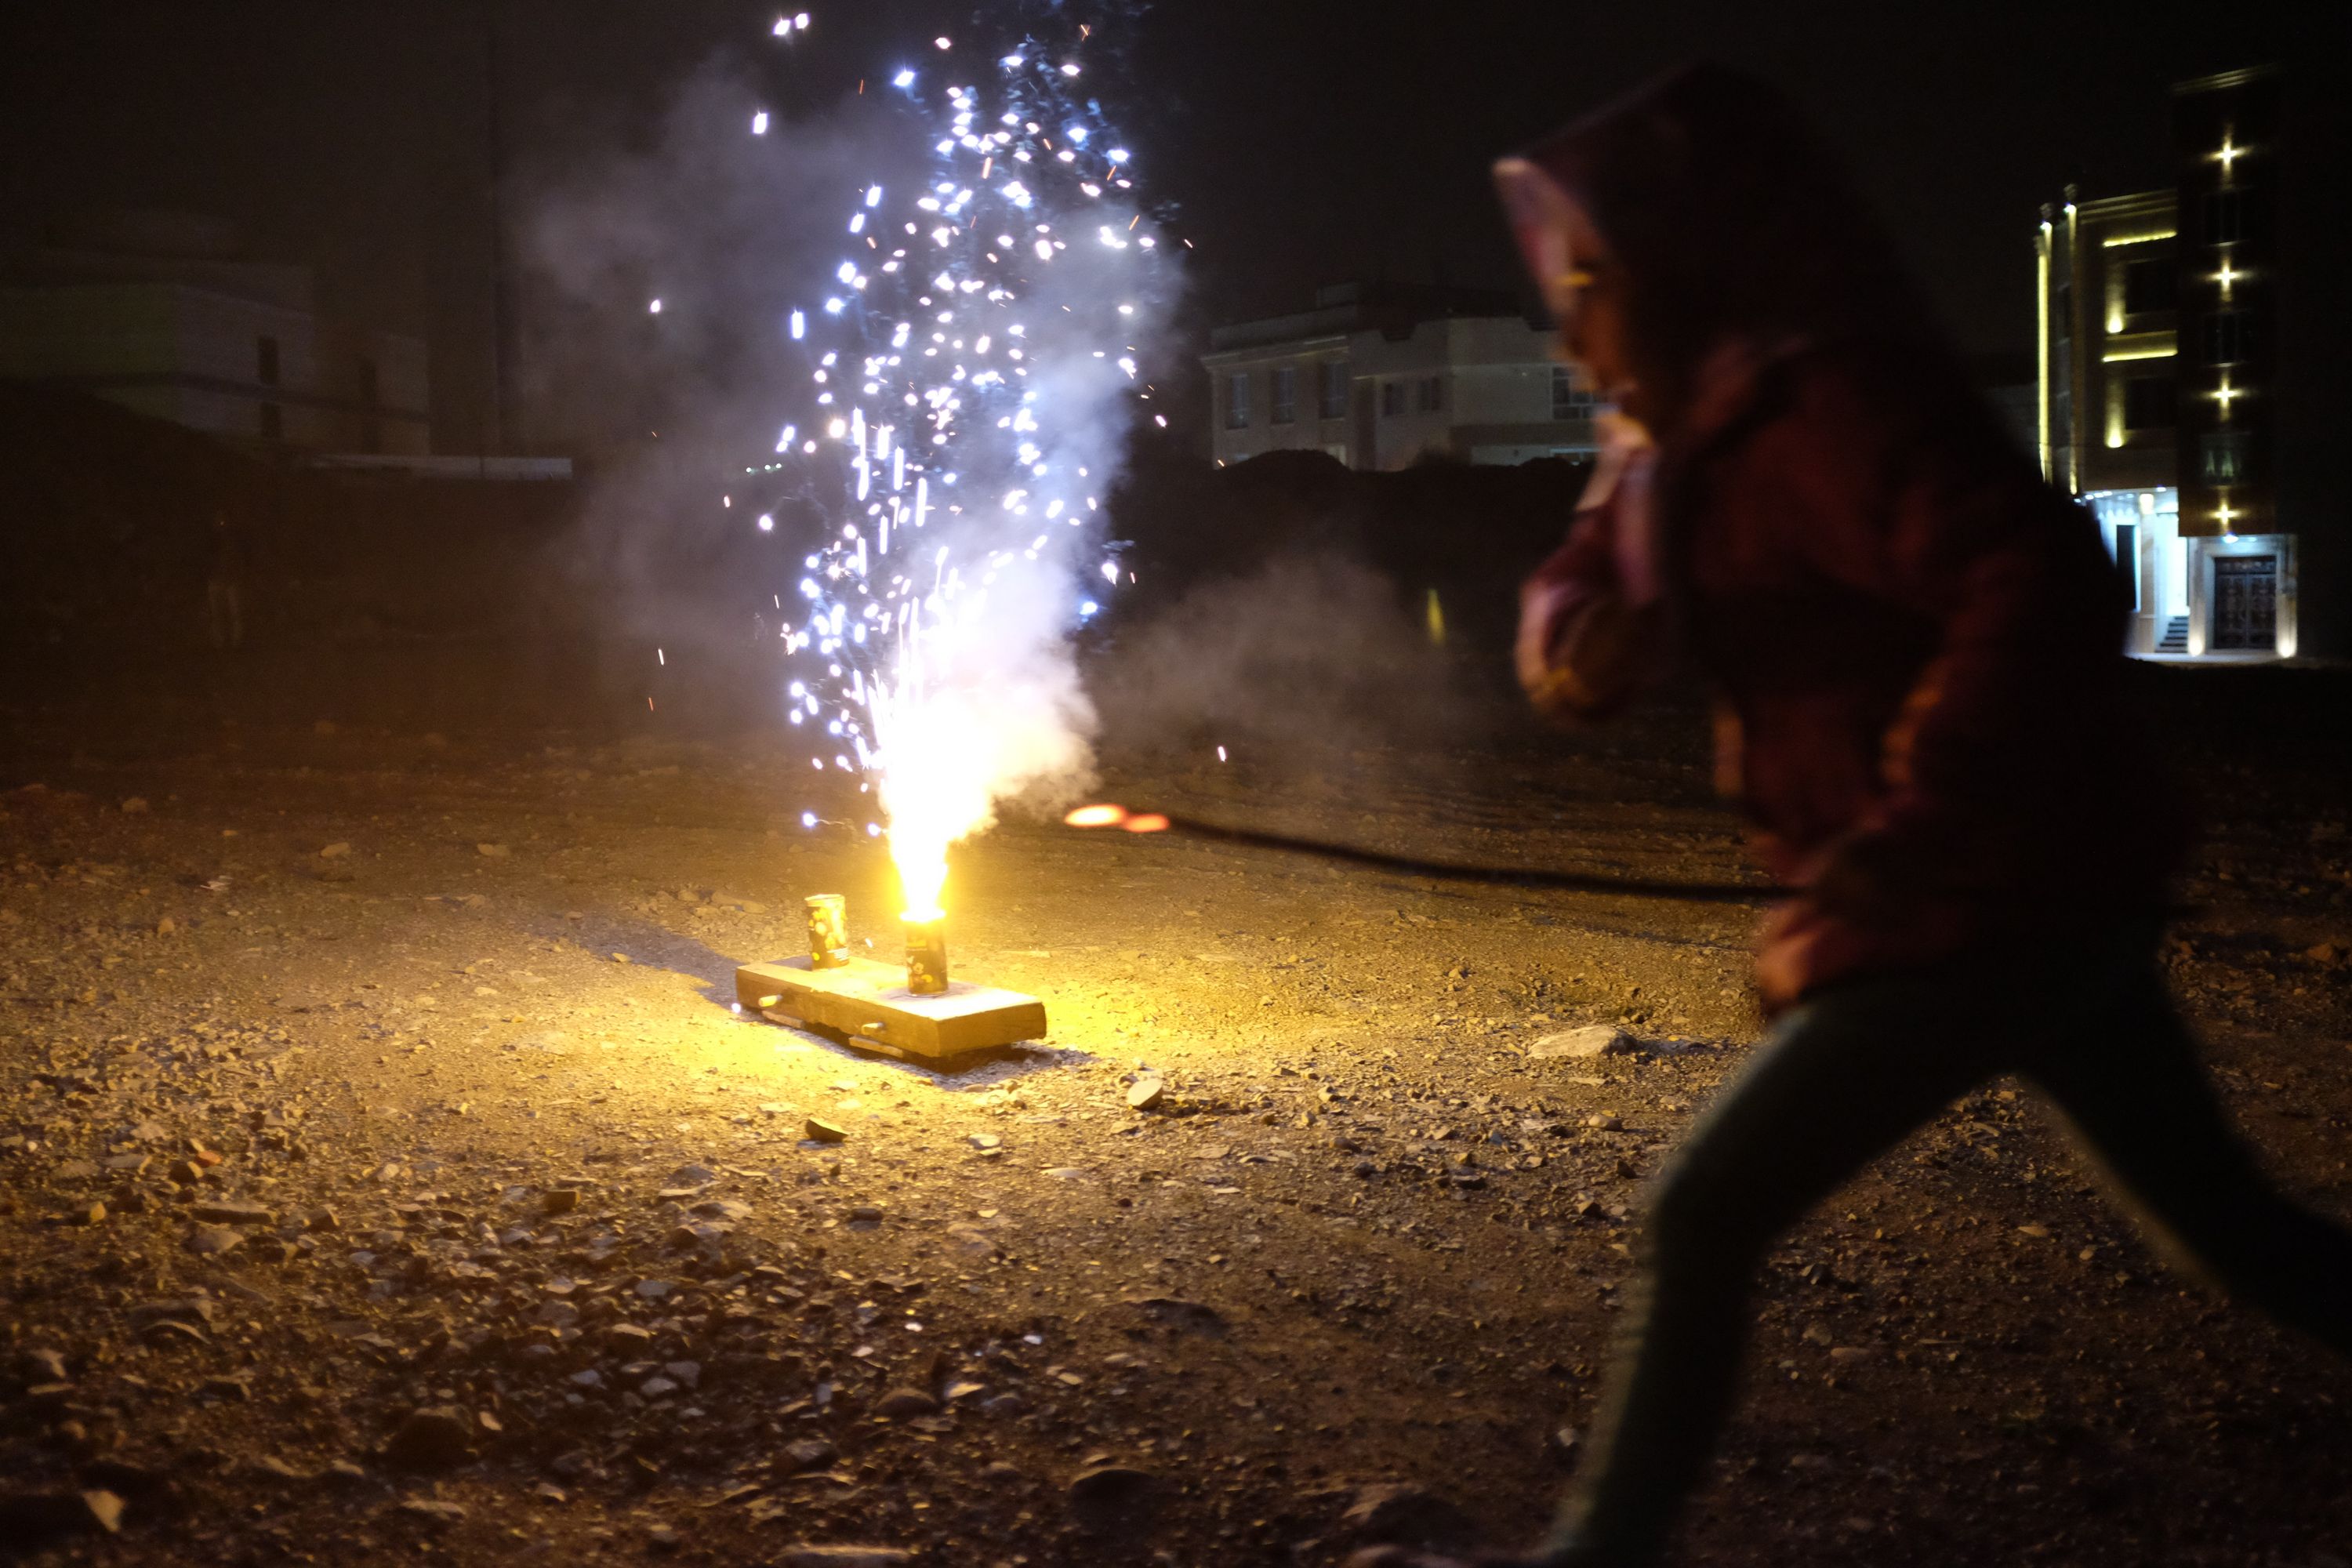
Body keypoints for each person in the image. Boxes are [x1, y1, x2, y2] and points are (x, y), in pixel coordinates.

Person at [1356, 62, 2352, 1568]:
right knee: (2242, 1240)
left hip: (1980, 907)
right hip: (2039, 899)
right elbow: (1577, 572)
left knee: (1705, 1214)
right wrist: (1576, 648)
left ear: (1673, 268)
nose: (1566, 330)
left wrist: (1913, 828)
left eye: (1585, 286)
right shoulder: (1675, 439)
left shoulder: (1822, 411)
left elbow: (2040, 578)